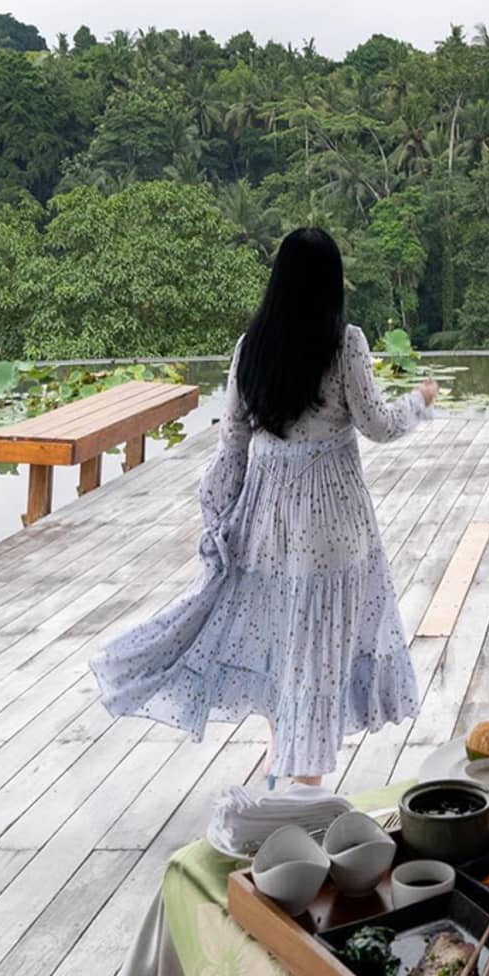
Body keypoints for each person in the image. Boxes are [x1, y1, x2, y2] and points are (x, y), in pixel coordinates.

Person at [91, 227, 437, 784]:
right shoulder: (345, 342)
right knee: (320, 647)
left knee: (283, 643)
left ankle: (289, 770)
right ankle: (307, 787)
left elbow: (232, 442)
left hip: (268, 521)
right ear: (330, 284)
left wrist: (221, 520)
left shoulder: (251, 348)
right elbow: (377, 424)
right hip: (332, 521)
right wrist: (418, 402)